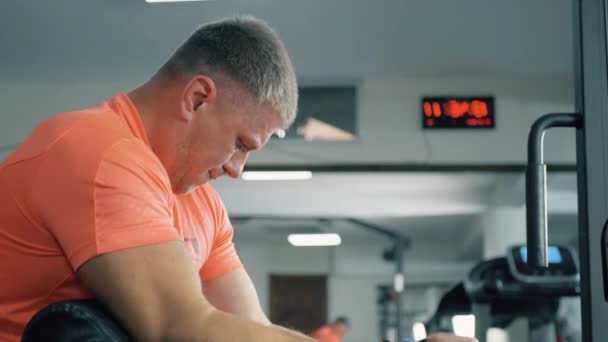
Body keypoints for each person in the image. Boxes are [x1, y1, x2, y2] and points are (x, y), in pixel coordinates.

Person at [0, 15, 476, 342]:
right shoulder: (99, 153)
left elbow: (249, 328)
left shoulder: (201, 205)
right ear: (198, 98)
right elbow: (179, 326)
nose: (236, 168)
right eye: (241, 143)